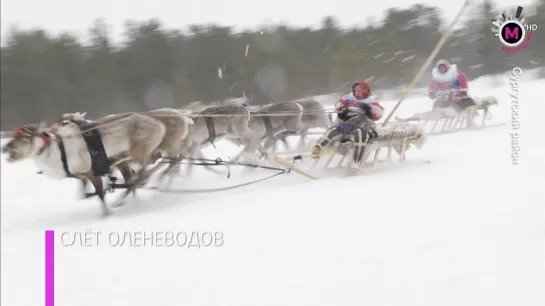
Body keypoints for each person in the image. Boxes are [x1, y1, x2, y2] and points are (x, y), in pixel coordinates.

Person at [311, 81, 384, 162]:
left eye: (359, 91)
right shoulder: (348, 98)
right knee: (333, 131)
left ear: (365, 91)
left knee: (359, 134)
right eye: (355, 91)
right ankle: (318, 148)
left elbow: (379, 112)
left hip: (362, 124)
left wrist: (368, 108)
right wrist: (341, 109)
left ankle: (356, 160)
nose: (357, 93)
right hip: (345, 124)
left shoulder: (370, 101)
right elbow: (338, 104)